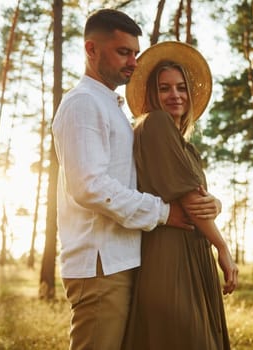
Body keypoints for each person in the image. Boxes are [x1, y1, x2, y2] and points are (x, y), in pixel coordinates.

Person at [52, 10, 220, 350]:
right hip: (100, 265)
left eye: (134, 52)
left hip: (123, 258)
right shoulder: (83, 104)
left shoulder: (111, 107)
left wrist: (209, 202)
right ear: (91, 49)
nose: (133, 61)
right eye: (123, 52)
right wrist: (162, 212)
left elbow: (144, 179)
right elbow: (89, 186)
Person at [123, 41, 239, 350]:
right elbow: (189, 200)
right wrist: (223, 248)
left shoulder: (188, 148)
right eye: (164, 89)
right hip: (171, 256)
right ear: (152, 94)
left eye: (180, 88)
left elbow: (198, 199)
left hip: (192, 254)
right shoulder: (155, 123)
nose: (174, 95)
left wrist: (216, 203)